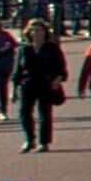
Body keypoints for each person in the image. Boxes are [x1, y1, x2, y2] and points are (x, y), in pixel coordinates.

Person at [13, 23, 68, 151]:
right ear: (29, 33)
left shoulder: (52, 48)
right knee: (24, 113)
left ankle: (44, 142)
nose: (36, 33)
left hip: (46, 84)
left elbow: (61, 68)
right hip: (27, 84)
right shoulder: (24, 49)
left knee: (45, 113)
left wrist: (58, 80)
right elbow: (17, 71)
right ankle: (29, 139)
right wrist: (14, 89)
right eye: (34, 30)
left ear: (45, 32)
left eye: (39, 30)